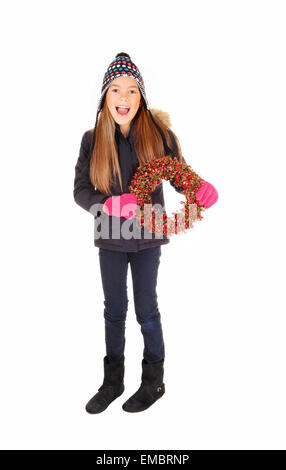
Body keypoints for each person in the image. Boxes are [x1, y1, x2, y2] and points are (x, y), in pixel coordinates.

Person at [73, 52, 218, 414]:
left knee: (146, 310)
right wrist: (107, 204)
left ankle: (154, 381)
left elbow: (180, 174)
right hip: (109, 234)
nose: (125, 98)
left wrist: (198, 191)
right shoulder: (92, 140)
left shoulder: (158, 135)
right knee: (113, 311)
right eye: (116, 90)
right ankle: (112, 382)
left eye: (133, 91)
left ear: (142, 97)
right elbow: (79, 190)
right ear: (105, 96)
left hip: (148, 235)